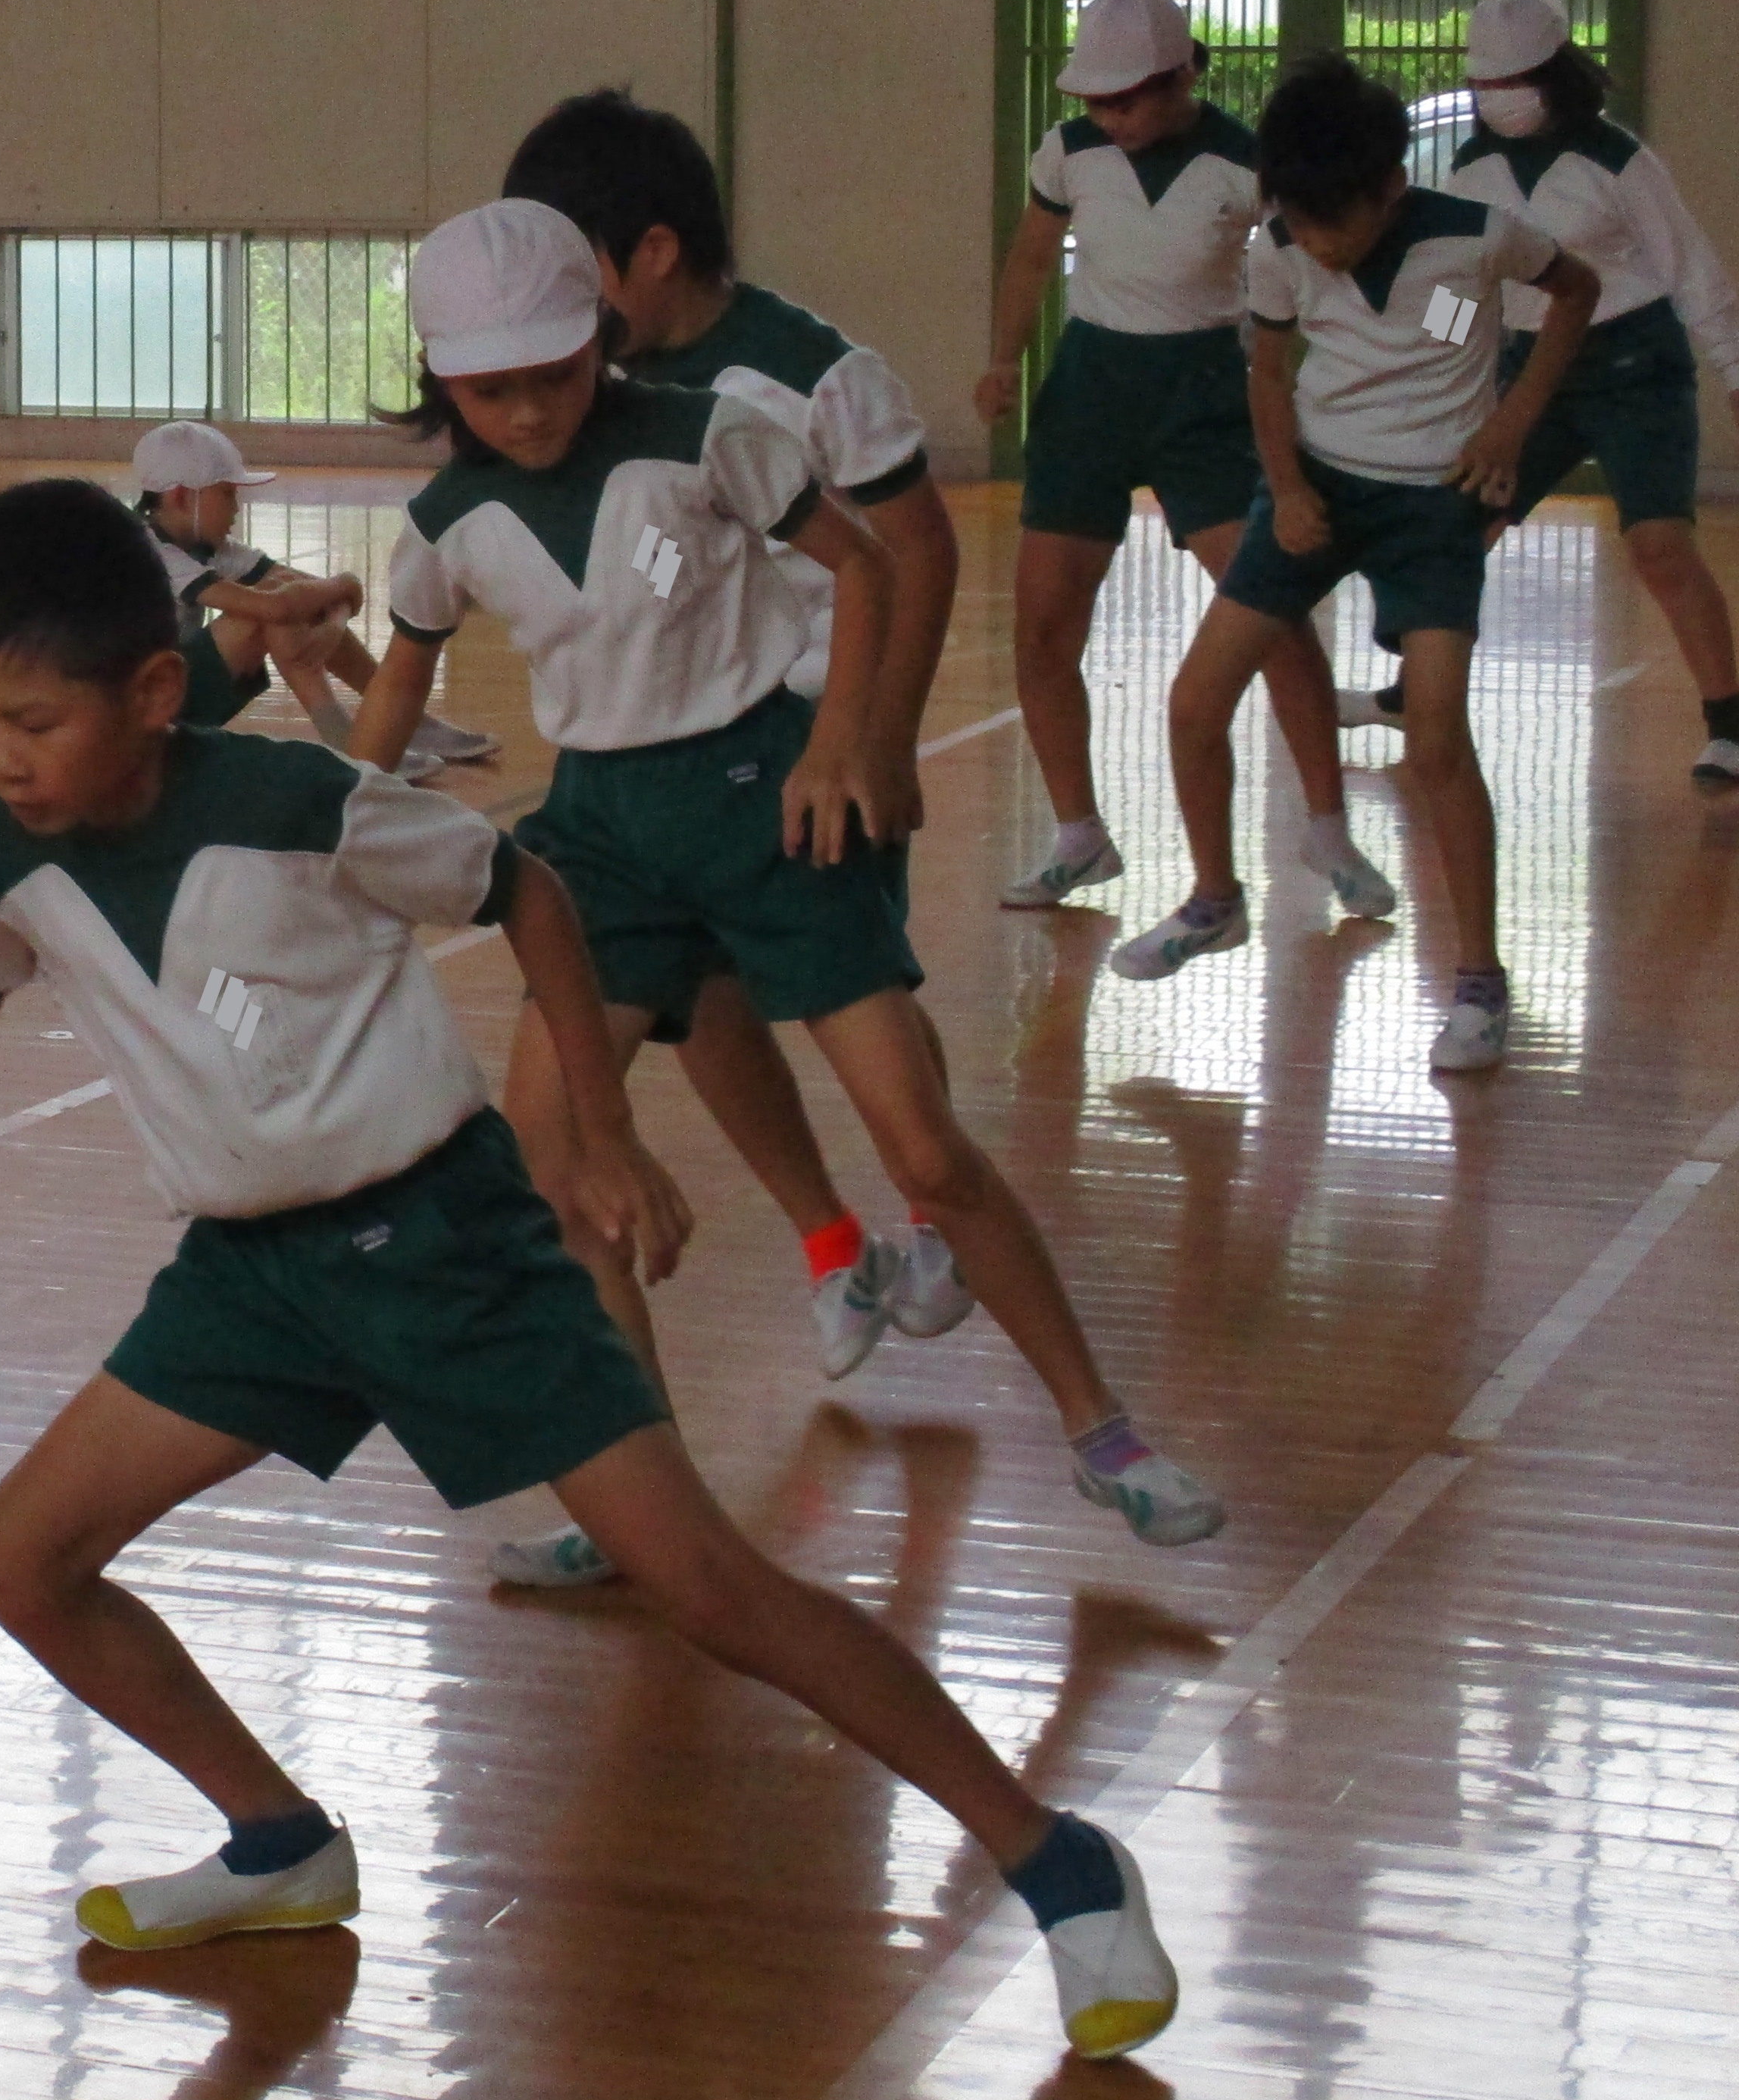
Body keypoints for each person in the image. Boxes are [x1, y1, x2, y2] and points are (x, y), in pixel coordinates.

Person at [0, 474, 1181, 2065]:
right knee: (20, 1557)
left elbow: (529, 890)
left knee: (706, 1588)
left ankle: (1052, 1857)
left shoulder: (300, 806)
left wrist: (590, 1131)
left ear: (152, 694)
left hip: (446, 1248)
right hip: (250, 1278)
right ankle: (275, 1839)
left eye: (30, 721)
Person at [349, 204, 1225, 1586]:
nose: (525, 409)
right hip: (603, 837)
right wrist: (330, 836)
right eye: (488, 385)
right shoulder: (444, 521)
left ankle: (1100, 1428)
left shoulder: (708, 430)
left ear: (600, 340)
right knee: (555, 1165)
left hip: (765, 798)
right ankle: (646, 1503)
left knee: (925, 1147)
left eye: (553, 373)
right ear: (438, 377)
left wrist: (840, 743)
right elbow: (398, 681)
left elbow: (862, 564)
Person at [502, 89, 984, 1385]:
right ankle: (833, 1242)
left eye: (577, 268)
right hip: (664, 755)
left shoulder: (816, 375)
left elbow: (920, 552)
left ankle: (934, 1216)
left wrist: (877, 739)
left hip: (812, 742)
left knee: (857, 991)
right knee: (697, 1003)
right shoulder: (585, 388)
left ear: (652, 249)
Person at [1116, 55, 1600, 1074]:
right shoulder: (1283, 247)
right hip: (1318, 493)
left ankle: (1479, 982)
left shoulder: (1474, 239)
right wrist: (1287, 491)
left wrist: (1512, 421)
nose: (1319, 245)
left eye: (1336, 223)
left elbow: (1576, 290)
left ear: (1388, 187)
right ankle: (1214, 901)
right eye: (1299, 217)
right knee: (1195, 701)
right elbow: (1269, 375)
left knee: (1434, 743)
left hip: (1436, 510)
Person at [981, 0, 1391, 913]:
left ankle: (1329, 835)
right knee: (1044, 625)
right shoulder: (1068, 151)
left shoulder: (1243, 166)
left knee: (1275, 620)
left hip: (1203, 400)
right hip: (1088, 392)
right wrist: (1002, 360)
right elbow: (1029, 258)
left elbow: (1315, 272)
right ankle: (1078, 837)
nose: (1107, 118)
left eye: (1126, 99)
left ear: (1181, 78)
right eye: (1095, 101)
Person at [1341, 0, 1739, 782]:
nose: (1497, 98)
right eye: (1483, 84)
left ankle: (1729, 723)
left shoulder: (1617, 161)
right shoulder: (1468, 166)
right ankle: (1410, 693)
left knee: (1658, 547)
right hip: (1530, 371)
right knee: (1456, 526)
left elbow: (1687, 267)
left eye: (1511, 80)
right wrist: (1436, 362)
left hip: (1634, 367)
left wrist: (1732, 367)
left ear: (1554, 74)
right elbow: (1463, 281)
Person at [130, 419, 498, 767]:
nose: (237, 509)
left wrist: (335, 612)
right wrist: (342, 592)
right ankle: (352, 746)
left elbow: (311, 589)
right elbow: (277, 606)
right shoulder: (148, 552)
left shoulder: (209, 546)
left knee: (288, 598)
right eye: (227, 494)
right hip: (137, 714)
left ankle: (405, 723)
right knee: (268, 610)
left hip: (167, 692)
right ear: (181, 498)